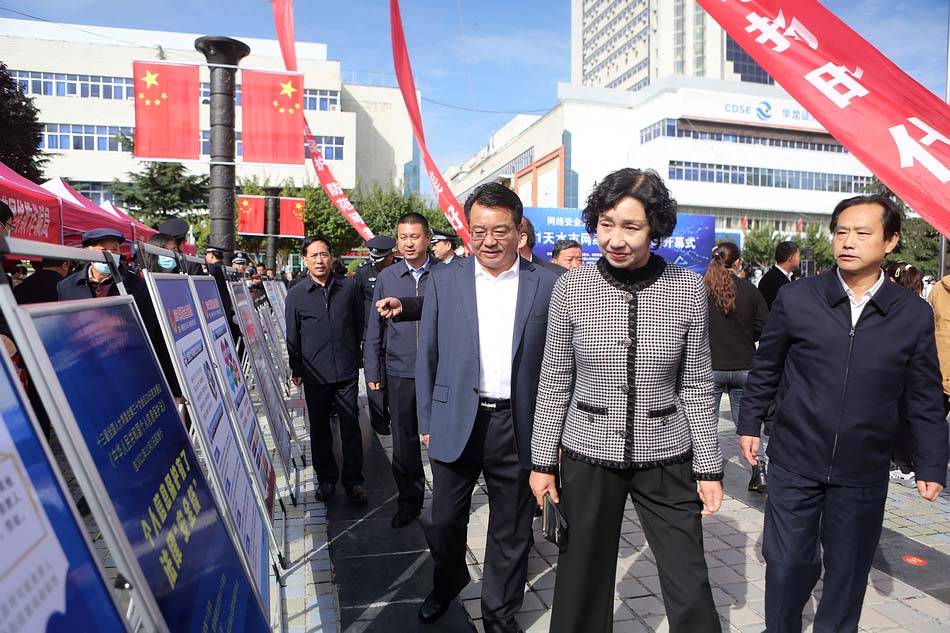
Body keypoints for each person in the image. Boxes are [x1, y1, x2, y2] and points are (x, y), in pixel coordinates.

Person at [738, 194, 948, 633]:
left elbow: (924, 395)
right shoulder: (798, 298)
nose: (848, 241)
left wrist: (931, 462)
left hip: (863, 468)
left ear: (890, 241)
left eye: (862, 233)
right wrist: (749, 421)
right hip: (795, 459)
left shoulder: (911, 313)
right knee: (787, 566)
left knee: (848, 573)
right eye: (841, 232)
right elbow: (767, 366)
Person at [530, 168, 722, 633]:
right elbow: (554, 380)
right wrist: (542, 463)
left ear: (655, 228)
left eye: (631, 227)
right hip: (589, 453)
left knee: (689, 579)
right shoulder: (571, 288)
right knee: (581, 578)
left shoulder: (687, 288)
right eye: (606, 224)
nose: (615, 239)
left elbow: (697, 384)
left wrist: (709, 468)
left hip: (667, 453)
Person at [402, 183, 558, 631]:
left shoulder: (548, 284)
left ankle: (499, 615)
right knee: (442, 520)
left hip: (520, 423)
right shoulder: (445, 279)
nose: (488, 241)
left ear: (519, 232)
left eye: (499, 231)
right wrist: (427, 419)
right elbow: (428, 354)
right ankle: (449, 578)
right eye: (479, 231)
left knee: (511, 529)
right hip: (456, 420)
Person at [364, 214, 438, 528]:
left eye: (415, 236)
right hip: (400, 371)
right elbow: (375, 329)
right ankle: (409, 502)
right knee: (404, 442)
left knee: (441, 438)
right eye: (403, 237)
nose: (409, 243)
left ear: (428, 238)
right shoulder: (388, 277)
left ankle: (446, 502)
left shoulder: (445, 274)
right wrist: (373, 372)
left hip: (439, 372)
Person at [286, 234, 367, 504]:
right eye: (314, 255)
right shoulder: (296, 294)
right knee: (320, 429)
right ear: (305, 260)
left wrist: (354, 355)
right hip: (315, 374)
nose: (319, 260)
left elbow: (359, 323)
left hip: (346, 370)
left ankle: (354, 481)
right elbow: (292, 334)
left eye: (324, 254)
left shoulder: (349, 287)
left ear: (331, 257)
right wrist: (296, 367)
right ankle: (326, 480)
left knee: (350, 426)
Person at [704, 242, 769, 492]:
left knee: (705, 424)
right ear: (738, 262)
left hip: (710, 365)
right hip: (745, 364)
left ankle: (707, 472)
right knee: (749, 425)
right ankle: (759, 470)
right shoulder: (750, 290)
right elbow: (763, 326)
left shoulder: (702, 289)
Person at [354, 235, 397, 436]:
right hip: (372, 335)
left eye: (382, 259)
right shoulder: (363, 272)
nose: (378, 263)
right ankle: (380, 422)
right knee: (375, 379)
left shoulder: (400, 270)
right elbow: (356, 305)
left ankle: (397, 417)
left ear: (391, 255)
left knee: (395, 380)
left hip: (397, 333)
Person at [757, 240, 799, 308]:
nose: (799, 259)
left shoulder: (791, 277)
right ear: (791, 258)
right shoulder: (769, 280)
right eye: (798, 256)